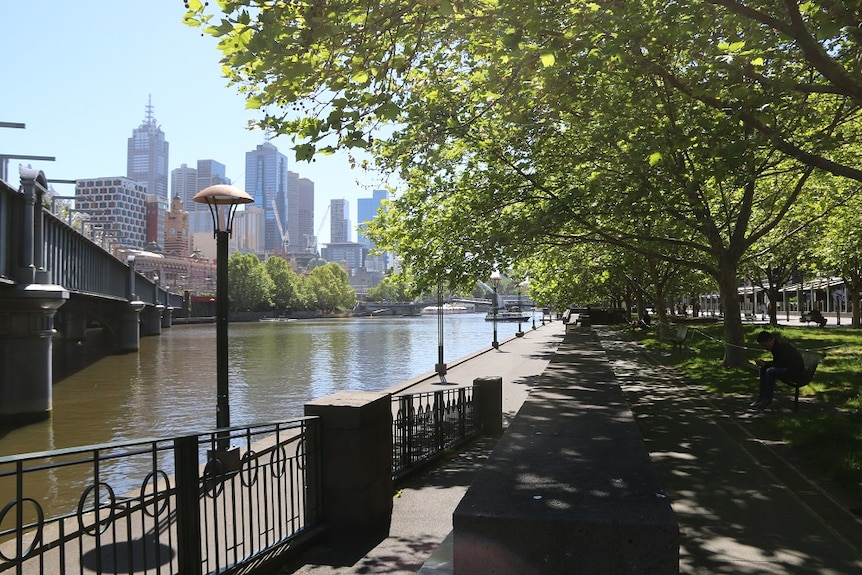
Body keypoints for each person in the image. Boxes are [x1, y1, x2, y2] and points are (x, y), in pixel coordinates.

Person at [751, 331, 805, 409]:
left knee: (770, 372)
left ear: (769, 341)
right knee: (764, 369)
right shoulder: (776, 346)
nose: (764, 347)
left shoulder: (781, 347)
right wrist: (765, 364)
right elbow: (778, 362)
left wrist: (766, 365)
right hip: (788, 368)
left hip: (795, 371)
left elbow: (781, 364)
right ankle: (761, 398)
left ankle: (767, 399)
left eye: (764, 345)